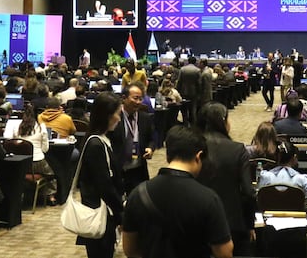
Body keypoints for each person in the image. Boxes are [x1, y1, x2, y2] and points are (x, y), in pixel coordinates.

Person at [122, 126, 234, 258]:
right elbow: (224, 252)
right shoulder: (209, 199)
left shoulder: (138, 194)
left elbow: (129, 249)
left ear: (168, 156)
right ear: (198, 156)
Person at [196, 102, 256, 256]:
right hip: (230, 221)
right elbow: (248, 192)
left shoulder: (192, 146)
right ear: (223, 122)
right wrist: (250, 224)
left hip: (196, 219)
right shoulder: (237, 149)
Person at [76, 93, 124, 258]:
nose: (119, 119)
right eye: (118, 114)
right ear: (108, 116)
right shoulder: (95, 144)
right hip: (99, 211)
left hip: (103, 210)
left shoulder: (102, 139)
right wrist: (121, 212)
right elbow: (104, 185)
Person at [109, 84, 155, 196]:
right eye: (135, 98)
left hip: (138, 170)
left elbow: (151, 139)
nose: (138, 102)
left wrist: (150, 148)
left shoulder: (145, 118)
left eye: (140, 98)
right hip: (118, 170)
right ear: (124, 98)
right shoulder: (114, 118)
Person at [9, 104, 57, 205]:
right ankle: (51, 197)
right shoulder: (41, 127)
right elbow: (45, 149)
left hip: (21, 164)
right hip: (38, 162)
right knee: (51, 175)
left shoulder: (16, 126)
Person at [177, 56, 202, 126]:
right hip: (193, 93)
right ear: (195, 62)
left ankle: (185, 124)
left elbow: (179, 82)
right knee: (192, 110)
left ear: (188, 61)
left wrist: (177, 91)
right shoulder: (197, 70)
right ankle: (193, 126)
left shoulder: (182, 69)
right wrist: (199, 94)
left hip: (183, 92)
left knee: (184, 110)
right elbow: (199, 83)